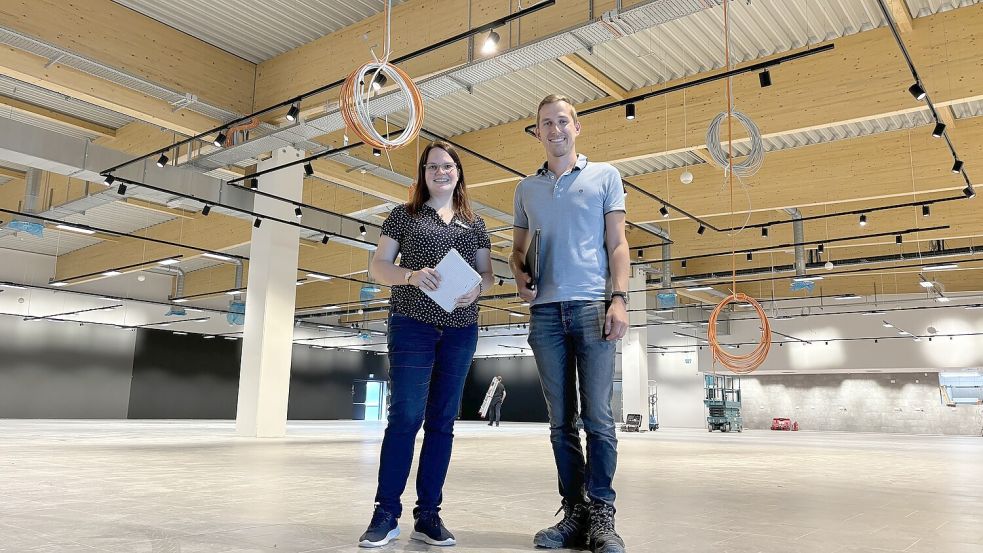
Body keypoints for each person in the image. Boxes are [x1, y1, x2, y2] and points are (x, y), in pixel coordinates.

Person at [509, 95, 630, 553]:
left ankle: (601, 513)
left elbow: (617, 245)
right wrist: (520, 274)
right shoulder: (526, 189)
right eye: (546, 124)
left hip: (592, 307)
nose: (555, 130)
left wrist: (619, 298)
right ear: (537, 132)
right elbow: (518, 250)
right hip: (545, 314)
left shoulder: (605, 177)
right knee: (561, 422)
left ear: (576, 127)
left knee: (598, 419)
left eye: (563, 121)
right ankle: (573, 512)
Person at [358, 141, 494, 548]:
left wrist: (478, 290)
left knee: (441, 423)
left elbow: (487, 275)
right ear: (422, 173)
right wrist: (412, 276)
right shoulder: (403, 216)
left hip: (460, 328)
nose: (440, 172)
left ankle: (429, 515)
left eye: (448, 166)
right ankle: (385, 513)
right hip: (412, 325)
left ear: (458, 172)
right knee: (404, 417)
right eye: (432, 166)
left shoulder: (475, 223)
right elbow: (378, 266)